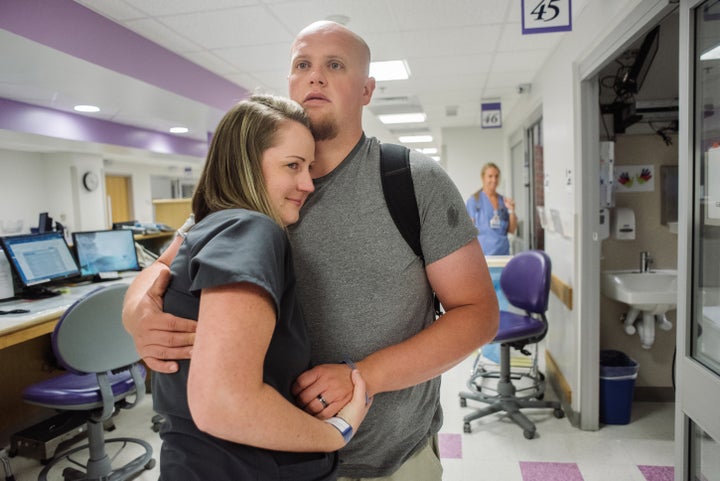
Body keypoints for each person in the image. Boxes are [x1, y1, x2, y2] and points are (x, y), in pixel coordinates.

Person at [123, 21, 499, 481]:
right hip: (271, 463)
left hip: (388, 461)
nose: (315, 77)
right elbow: (160, 269)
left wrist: (365, 375)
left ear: (366, 89)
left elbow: (478, 313)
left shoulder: (412, 181)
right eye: (303, 64)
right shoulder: (247, 197)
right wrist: (137, 313)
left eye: (334, 65)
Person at [149, 94, 371, 480]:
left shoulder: (209, 229)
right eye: (293, 166)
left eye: (309, 168)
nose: (308, 184)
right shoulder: (251, 230)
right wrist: (335, 434)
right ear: (247, 166)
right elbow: (223, 404)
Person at [466, 162, 517, 255]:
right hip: (483, 255)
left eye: (496, 176)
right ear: (483, 177)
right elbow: (468, 233)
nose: (494, 180)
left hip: (503, 253)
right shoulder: (474, 201)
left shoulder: (504, 201)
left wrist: (512, 211)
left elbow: (511, 230)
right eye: (490, 176)